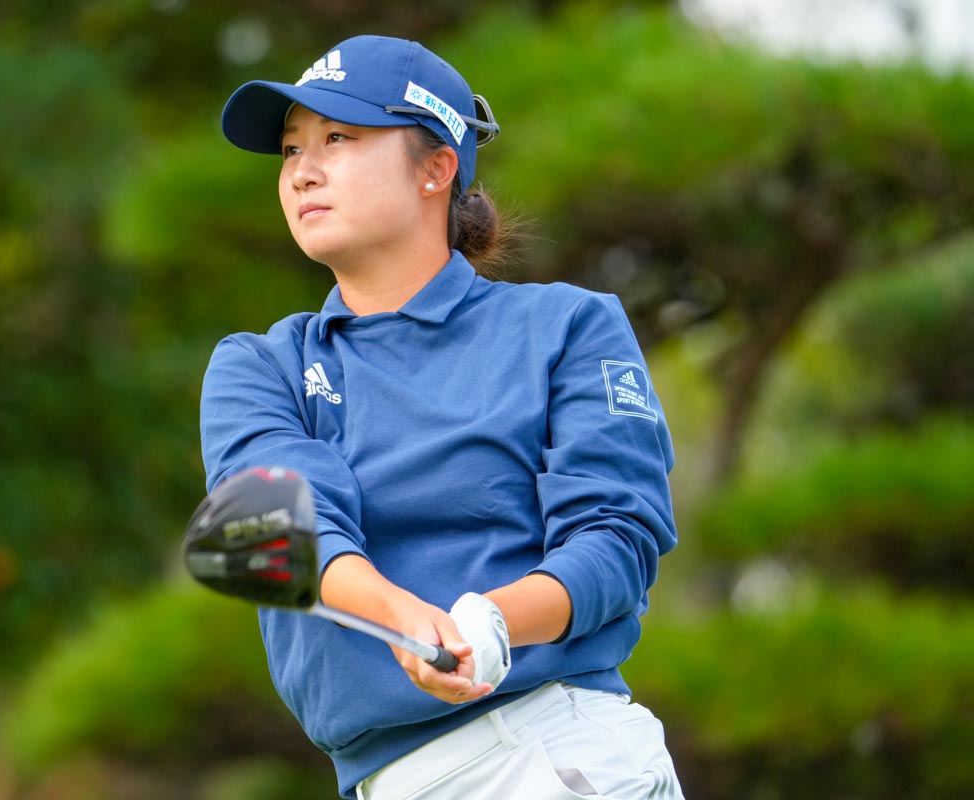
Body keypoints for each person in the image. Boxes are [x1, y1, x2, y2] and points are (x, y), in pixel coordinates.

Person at [200, 34, 685, 800]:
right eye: (291, 150)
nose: (304, 171)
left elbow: (616, 541)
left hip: (551, 753)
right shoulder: (260, 366)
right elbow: (282, 537)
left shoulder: (568, 327)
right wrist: (403, 617)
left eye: (340, 138)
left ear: (436, 167)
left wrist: (492, 623)